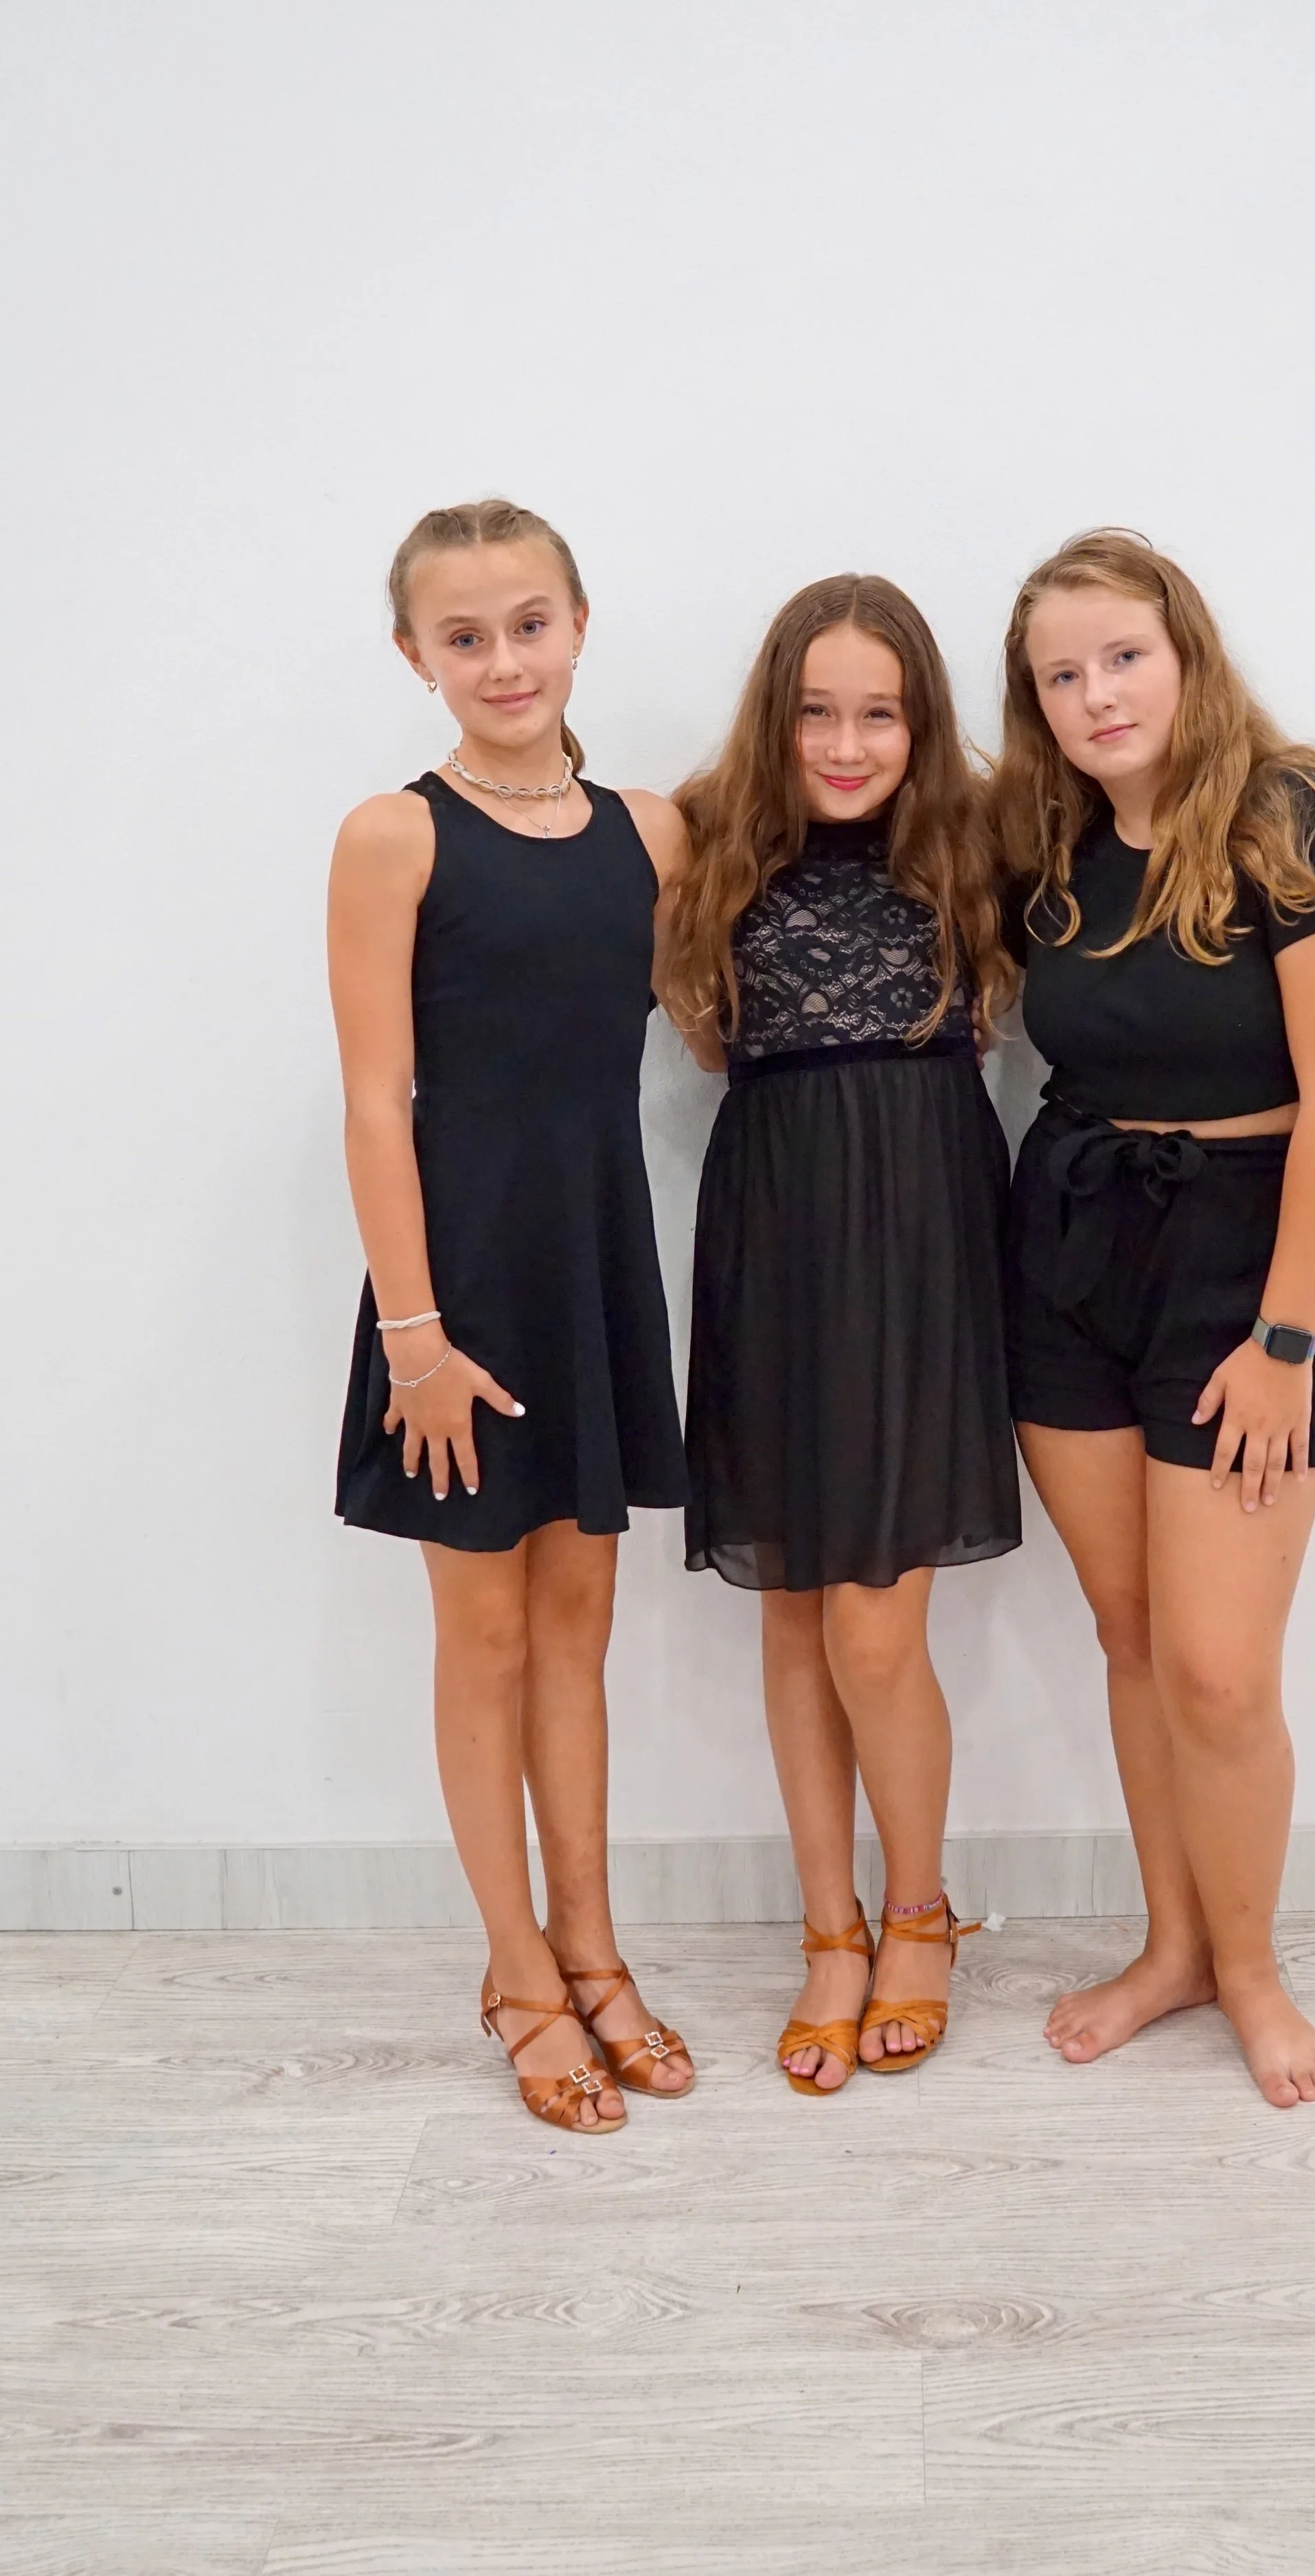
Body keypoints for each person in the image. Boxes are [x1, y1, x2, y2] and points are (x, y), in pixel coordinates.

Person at [994, 529, 1315, 2109]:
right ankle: (1169, 1950)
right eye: (1061, 675)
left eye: (1122, 657)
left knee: (1220, 1673)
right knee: (1132, 1636)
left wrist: (1284, 1341)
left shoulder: (1296, 815)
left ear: (1185, 652)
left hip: (1242, 1262)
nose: (1097, 695)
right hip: (1070, 1239)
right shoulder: (1049, 845)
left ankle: (1249, 1972)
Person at [329, 497, 695, 2133]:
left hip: (594, 1267)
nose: (501, 660)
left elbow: (707, 1014)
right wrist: (412, 1336)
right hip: (458, 1286)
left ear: (578, 624)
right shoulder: (393, 837)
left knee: (579, 1627)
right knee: (481, 1633)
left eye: (527, 624)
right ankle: (518, 1975)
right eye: (462, 635)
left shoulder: (652, 832)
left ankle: (594, 1950)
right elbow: (373, 1100)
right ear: (414, 653)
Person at [665, 575, 1019, 2093]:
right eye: (817, 710)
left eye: (879, 713)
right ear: (776, 714)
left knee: (876, 1622)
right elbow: (704, 1035)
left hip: (926, 1235)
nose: (847, 743)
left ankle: (921, 1915)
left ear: (921, 722)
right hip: (774, 1226)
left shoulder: (984, 839)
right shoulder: (702, 837)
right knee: (794, 1612)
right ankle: (830, 1931)